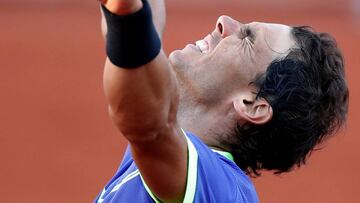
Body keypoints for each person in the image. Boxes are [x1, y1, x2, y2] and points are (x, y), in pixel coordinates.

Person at [94, 0, 349, 202]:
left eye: (246, 39)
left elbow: (145, 119)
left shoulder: (221, 189)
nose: (223, 22)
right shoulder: (166, 144)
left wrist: (124, 12)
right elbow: (138, 51)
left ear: (253, 105)